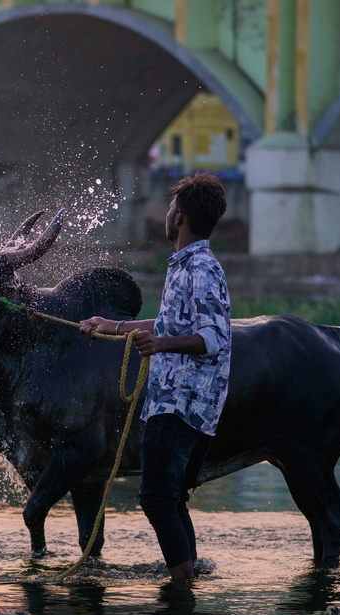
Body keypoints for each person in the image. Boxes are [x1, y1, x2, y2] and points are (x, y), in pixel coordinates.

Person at [79, 173, 231, 581]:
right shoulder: (186, 266)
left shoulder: (201, 268)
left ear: (179, 217)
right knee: (173, 498)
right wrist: (110, 326)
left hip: (183, 403)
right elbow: (166, 323)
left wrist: (161, 345)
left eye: (169, 208)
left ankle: (181, 587)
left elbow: (214, 338)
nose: (165, 215)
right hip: (177, 400)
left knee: (156, 498)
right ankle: (189, 583)